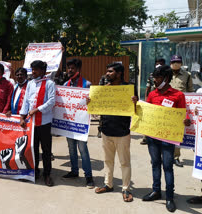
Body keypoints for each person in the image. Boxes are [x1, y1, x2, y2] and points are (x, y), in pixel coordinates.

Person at [141, 65, 190, 213]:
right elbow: (146, 112)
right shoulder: (152, 94)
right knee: (155, 163)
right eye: (154, 77)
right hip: (153, 137)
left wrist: (186, 120)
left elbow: (184, 114)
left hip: (168, 138)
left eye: (158, 77)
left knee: (168, 167)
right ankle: (156, 191)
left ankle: (169, 197)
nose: (154, 80)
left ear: (166, 78)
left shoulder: (178, 95)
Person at [90, 63, 135, 202]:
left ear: (119, 73)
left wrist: (135, 102)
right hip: (106, 130)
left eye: (110, 72)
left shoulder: (128, 89)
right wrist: (90, 102)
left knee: (124, 162)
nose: (107, 74)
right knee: (108, 160)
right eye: (107, 72)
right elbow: (96, 110)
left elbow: (137, 110)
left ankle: (126, 188)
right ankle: (108, 184)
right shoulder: (103, 90)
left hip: (122, 131)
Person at [20, 60, 55, 187]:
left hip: (44, 122)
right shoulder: (30, 84)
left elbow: (51, 101)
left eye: (36, 69)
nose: (33, 72)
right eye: (32, 69)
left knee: (46, 150)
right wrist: (22, 117)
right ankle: (34, 172)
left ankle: (47, 174)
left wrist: (37, 109)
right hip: (32, 122)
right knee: (33, 149)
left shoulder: (50, 83)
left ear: (43, 71)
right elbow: (26, 101)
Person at [62, 58, 95, 189]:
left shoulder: (87, 85)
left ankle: (89, 176)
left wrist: (89, 102)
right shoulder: (65, 85)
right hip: (70, 122)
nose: (69, 70)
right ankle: (74, 171)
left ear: (78, 69)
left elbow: (94, 104)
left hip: (81, 123)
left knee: (83, 149)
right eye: (68, 68)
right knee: (71, 148)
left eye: (72, 68)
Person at [169, 55, 194, 167]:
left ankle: (176, 157)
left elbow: (190, 92)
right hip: (166, 107)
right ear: (170, 63)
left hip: (180, 106)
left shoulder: (187, 75)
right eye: (174, 62)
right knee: (163, 130)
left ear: (181, 63)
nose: (176, 64)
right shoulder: (165, 73)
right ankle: (163, 156)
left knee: (178, 132)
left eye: (178, 62)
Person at [141, 58, 166, 145]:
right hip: (152, 98)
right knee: (149, 119)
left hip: (163, 99)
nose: (159, 65)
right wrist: (146, 99)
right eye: (157, 64)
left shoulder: (167, 75)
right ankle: (145, 137)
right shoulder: (151, 75)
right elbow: (148, 87)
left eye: (161, 64)